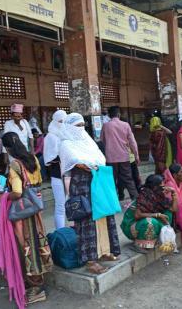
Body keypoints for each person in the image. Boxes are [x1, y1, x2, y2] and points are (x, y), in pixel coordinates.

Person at [59, 113, 120, 274]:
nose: (80, 129)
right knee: (87, 221)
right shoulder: (65, 144)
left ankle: (104, 250)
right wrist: (88, 164)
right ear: (69, 127)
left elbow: (100, 157)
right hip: (81, 186)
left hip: (97, 181)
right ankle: (90, 260)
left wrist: (93, 164)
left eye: (82, 125)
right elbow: (74, 161)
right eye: (77, 126)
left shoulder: (88, 140)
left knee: (103, 216)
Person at [1, 132, 53, 304]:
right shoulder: (33, 159)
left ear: (8, 148)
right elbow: (37, 182)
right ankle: (38, 283)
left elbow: (16, 192)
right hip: (35, 208)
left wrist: (2, 197)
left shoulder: (15, 165)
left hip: (23, 213)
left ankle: (36, 288)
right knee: (38, 242)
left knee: (26, 246)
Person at [120, 174, 178, 253]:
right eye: (162, 186)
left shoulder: (158, 196)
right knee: (150, 222)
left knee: (168, 213)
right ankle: (139, 244)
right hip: (131, 225)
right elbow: (138, 215)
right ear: (155, 187)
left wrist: (174, 193)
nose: (164, 188)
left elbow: (174, 209)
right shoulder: (144, 196)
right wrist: (158, 215)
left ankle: (154, 239)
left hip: (142, 222)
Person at [101, 106, 140, 200]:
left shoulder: (106, 126)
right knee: (128, 179)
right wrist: (136, 155)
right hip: (124, 156)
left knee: (112, 180)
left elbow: (102, 140)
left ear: (110, 115)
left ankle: (113, 201)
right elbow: (132, 142)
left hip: (110, 157)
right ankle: (136, 200)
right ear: (119, 114)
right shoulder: (126, 125)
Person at [44, 110, 67, 229]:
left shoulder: (67, 134)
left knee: (70, 204)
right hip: (57, 175)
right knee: (60, 205)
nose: (62, 124)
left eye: (64, 121)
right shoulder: (50, 137)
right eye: (60, 121)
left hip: (68, 175)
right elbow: (48, 158)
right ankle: (61, 232)